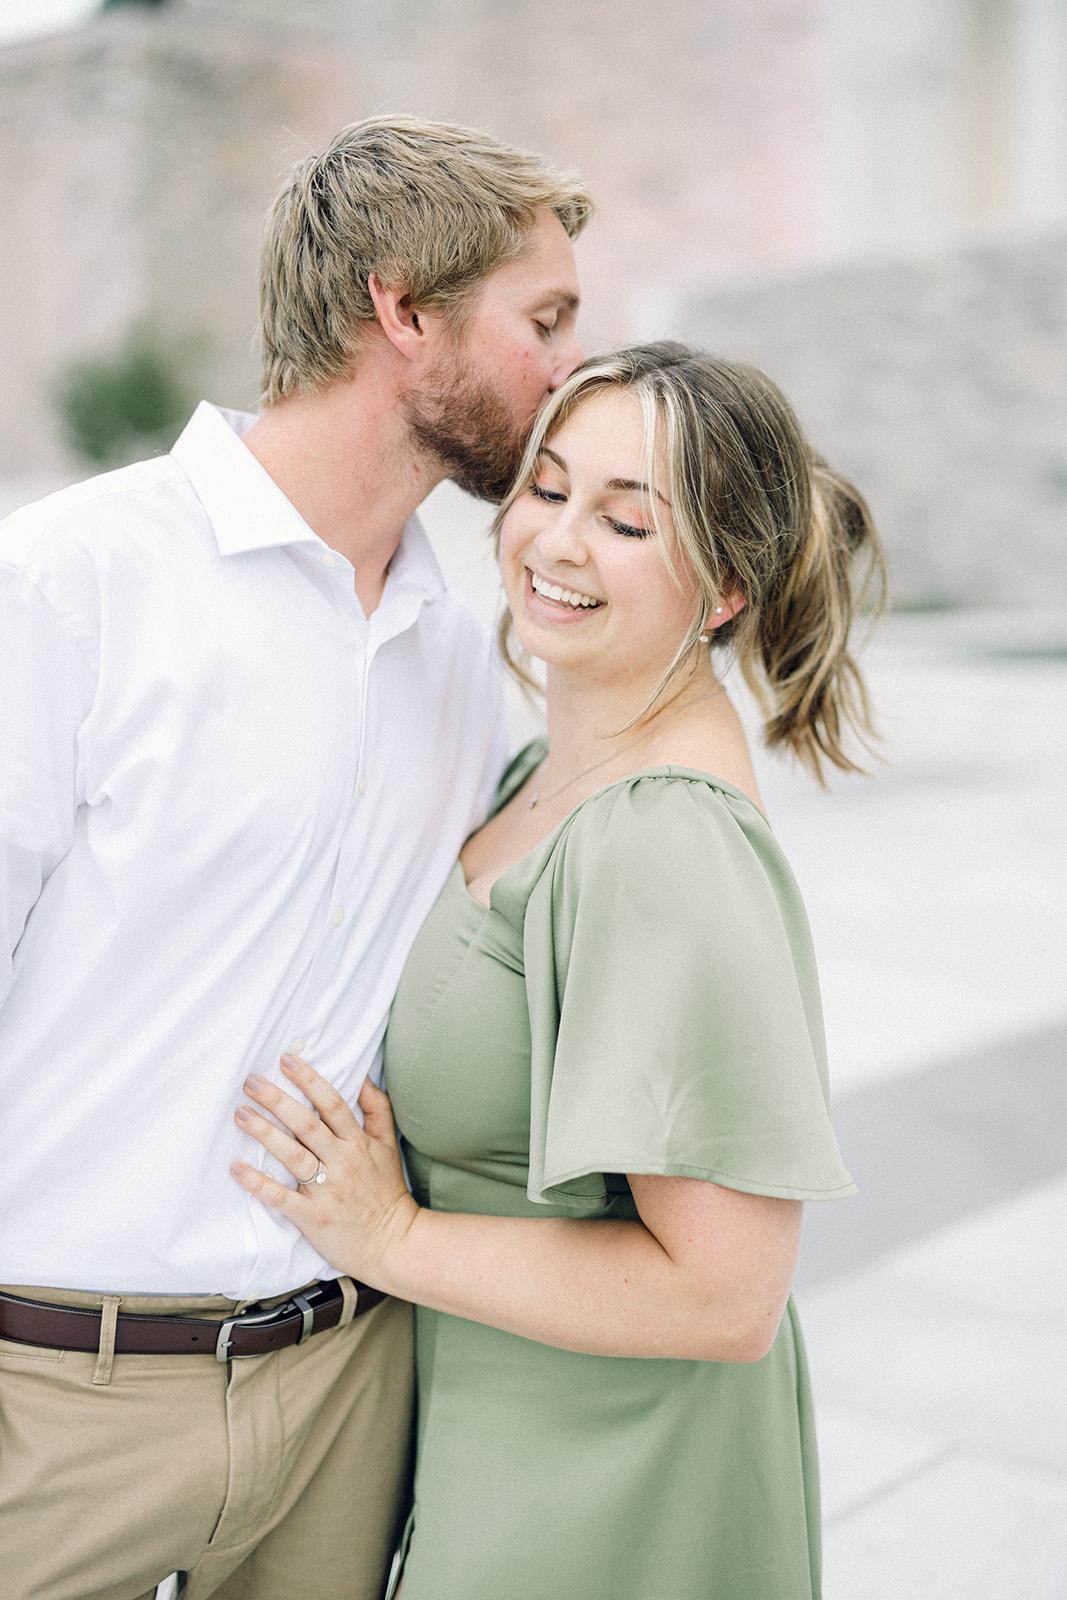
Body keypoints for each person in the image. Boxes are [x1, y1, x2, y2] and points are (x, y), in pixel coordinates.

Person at [0, 116, 588, 1600]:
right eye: (542, 320)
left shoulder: (458, 650)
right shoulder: (68, 583)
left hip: (345, 1381)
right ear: (403, 310)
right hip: (56, 1394)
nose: (566, 366)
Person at [232, 341, 888, 1600]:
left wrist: (393, 1234)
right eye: (548, 488)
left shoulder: (662, 840)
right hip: (496, 1441)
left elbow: (723, 1296)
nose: (557, 541)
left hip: (610, 1487)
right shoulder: (547, 774)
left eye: (626, 521)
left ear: (722, 590)